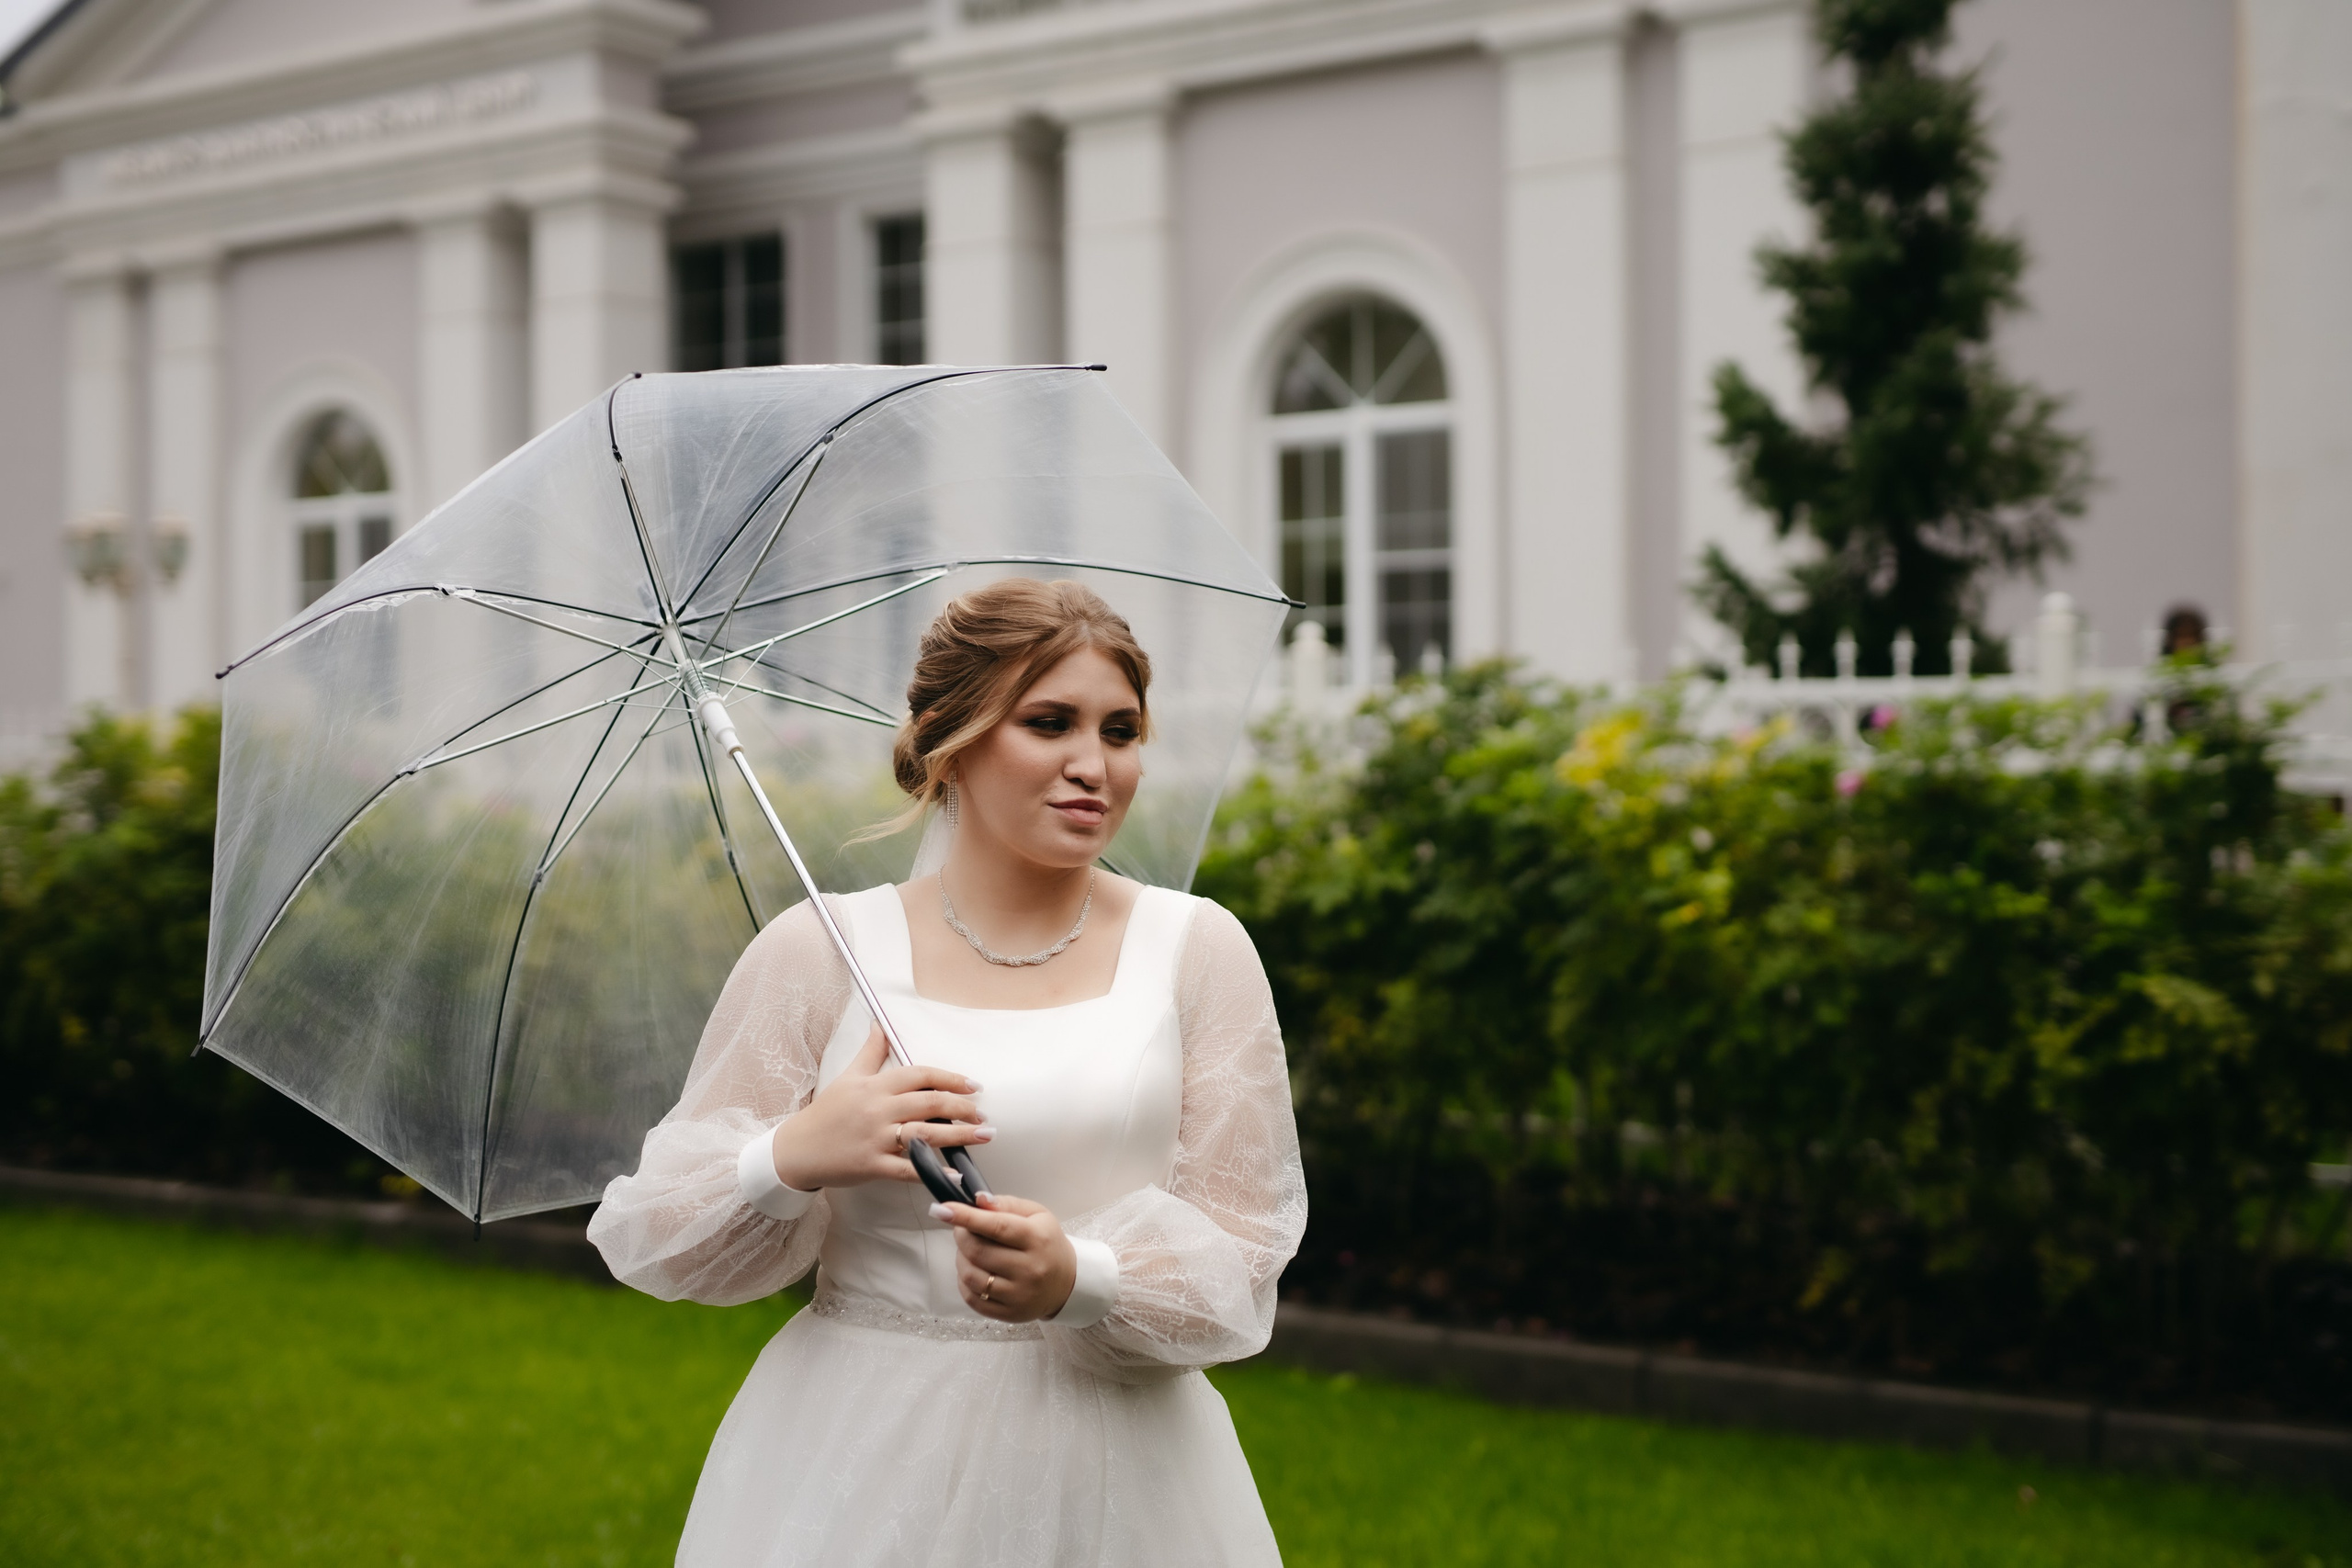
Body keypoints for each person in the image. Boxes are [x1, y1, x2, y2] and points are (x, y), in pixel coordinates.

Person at [588, 577, 1306, 1566]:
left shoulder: (1199, 950)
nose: (1092, 764)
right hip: (856, 1449)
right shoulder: (821, 950)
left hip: (1119, 1464)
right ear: (949, 741)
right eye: (1048, 722)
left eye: (1122, 730)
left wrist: (1079, 1277)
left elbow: (1243, 1263)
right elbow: (653, 1235)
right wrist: (793, 1155)